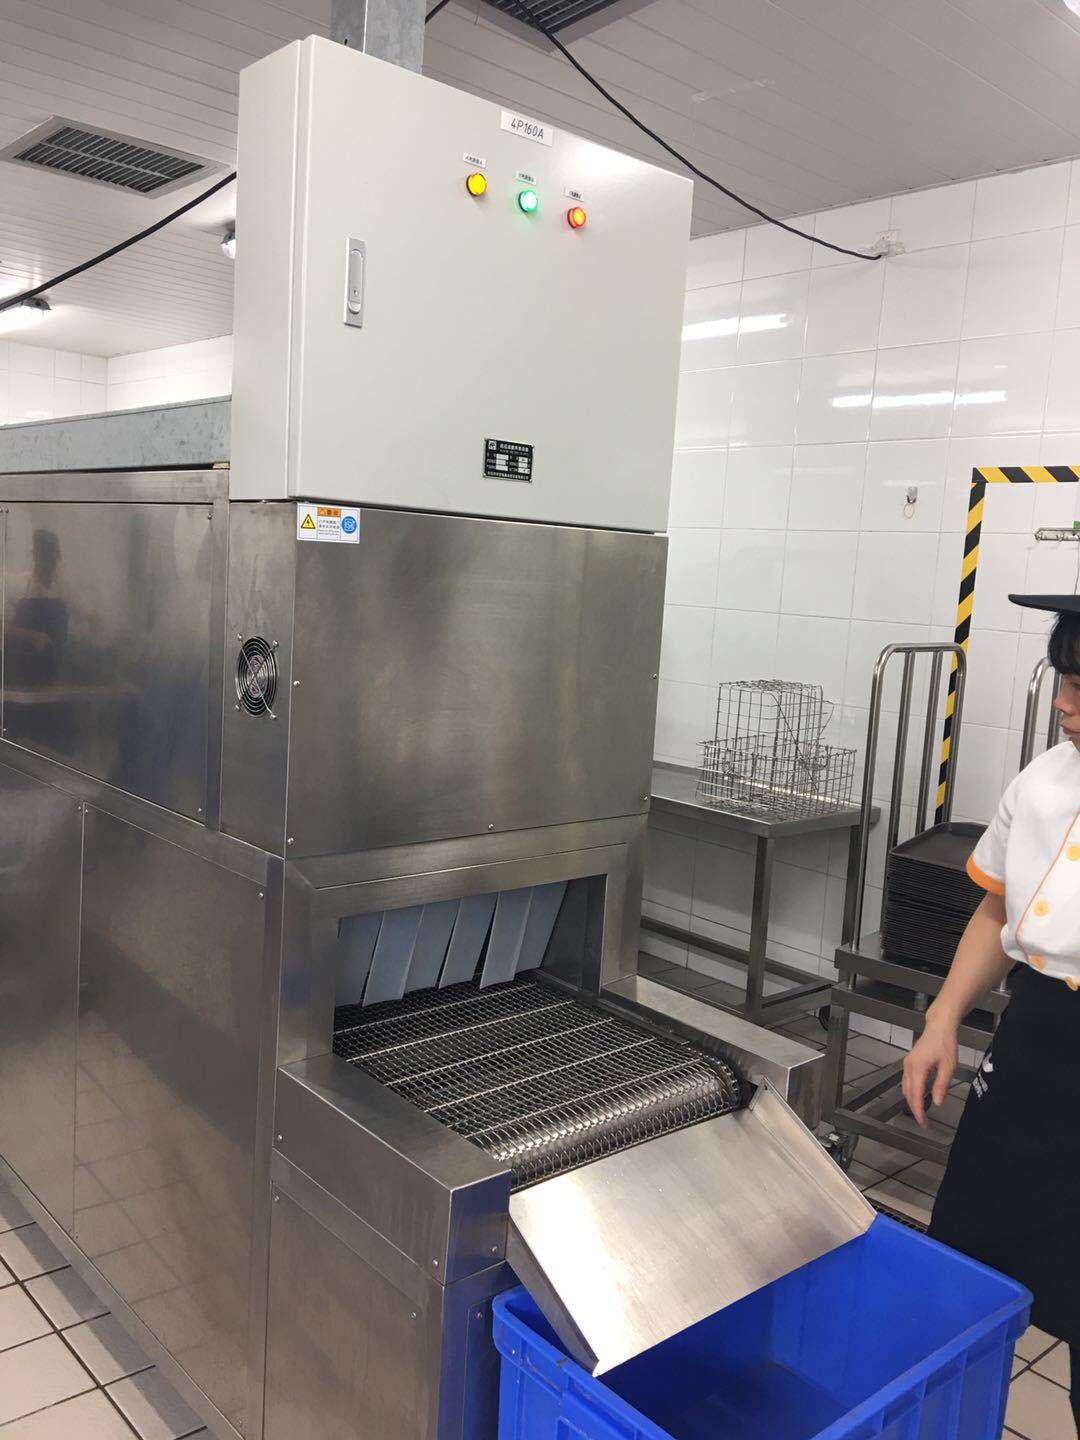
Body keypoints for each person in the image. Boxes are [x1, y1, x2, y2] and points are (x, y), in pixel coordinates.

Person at [903, 592, 1080, 1431]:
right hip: (1037, 1042)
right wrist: (942, 1019)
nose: (1066, 704)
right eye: (1065, 678)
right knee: (965, 1262)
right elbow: (994, 909)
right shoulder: (1044, 781)